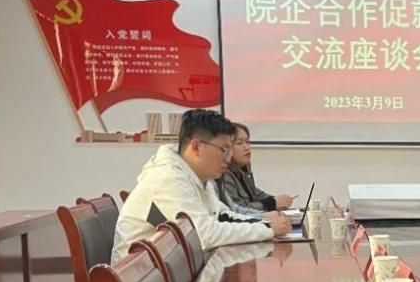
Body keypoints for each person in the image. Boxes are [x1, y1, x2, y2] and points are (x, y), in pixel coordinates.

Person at [112, 109, 291, 262]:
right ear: (197, 147)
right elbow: (204, 235)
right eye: (224, 149)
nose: (228, 158)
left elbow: (223, 216)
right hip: (139, 280)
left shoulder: (198, 176)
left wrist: (265, 222)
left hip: (168, 269)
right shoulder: (167, 178)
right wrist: (267, 229)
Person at [216, 122, 296, 213]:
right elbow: (240, 210)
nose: (247, 147)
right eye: (239, 143)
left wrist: (278, 200)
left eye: (247, 142)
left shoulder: (243, 172)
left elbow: (257, 194)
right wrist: (274, 203)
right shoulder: (223, 175)